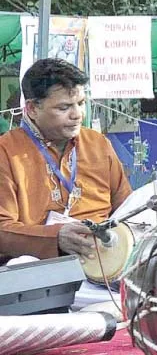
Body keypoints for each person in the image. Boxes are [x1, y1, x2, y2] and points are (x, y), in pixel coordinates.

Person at [0, 58, 131, 263]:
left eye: (81, 103)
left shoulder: (98, 143)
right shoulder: (6, 151)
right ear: (32, 109)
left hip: (104, 258)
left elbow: (126, 207)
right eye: (64, 108)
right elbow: (2, 229)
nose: (77, 115)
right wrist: (55, 238)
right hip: (39, 265)